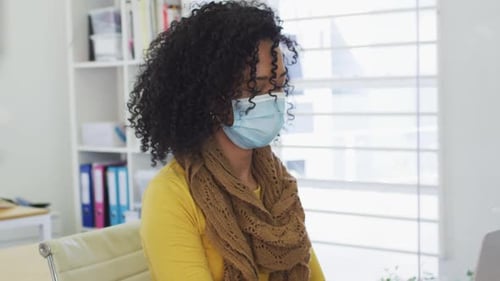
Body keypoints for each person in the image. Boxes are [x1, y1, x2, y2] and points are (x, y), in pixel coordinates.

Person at [128, 1, 325, 280]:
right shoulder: (171, 196)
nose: (274, 98)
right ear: (213, 97)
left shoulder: (278, 185)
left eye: (279, 85)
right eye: (255, 88)